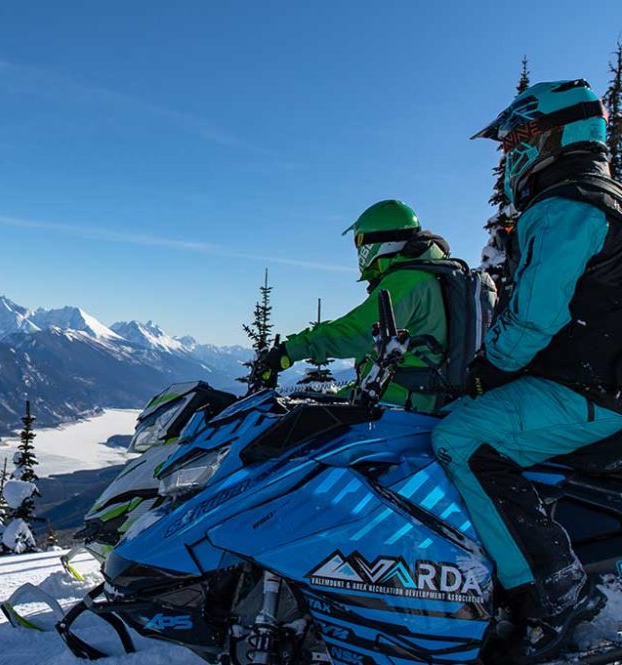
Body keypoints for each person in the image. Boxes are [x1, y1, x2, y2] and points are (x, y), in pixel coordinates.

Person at [432, 79, 622, 661]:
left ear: (559, 133)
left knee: (458, 437)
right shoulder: (593, 195)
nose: (509, 150)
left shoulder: (567, 204)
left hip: (587, 389)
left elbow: (536, 316)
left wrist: (489, 366)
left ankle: (551, 589)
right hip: (589, 378)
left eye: (519, 135)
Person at [262, 199, 466, 413]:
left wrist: (290, 350)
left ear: (381, 239)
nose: (358, 248)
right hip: (404, 393)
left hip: (403, 401)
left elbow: (358, 333)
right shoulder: (424, 274)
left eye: (359, 240)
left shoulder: (408, 280)